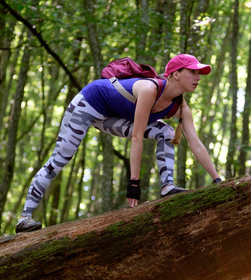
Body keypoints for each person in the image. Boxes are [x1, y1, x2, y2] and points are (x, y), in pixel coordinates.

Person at [15, 54, 222, 233]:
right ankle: (24, 218)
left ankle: (168, 186)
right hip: (87, 105)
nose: (198, 78)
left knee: (166, 132)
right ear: (176, 73)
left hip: (110, 117)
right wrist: (134, 183)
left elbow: (196, 145)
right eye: (193, 72)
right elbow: (137, 137)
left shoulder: (181, 108)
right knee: (60, 159)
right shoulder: (150, 89)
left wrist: (217, 180)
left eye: (199, 74)